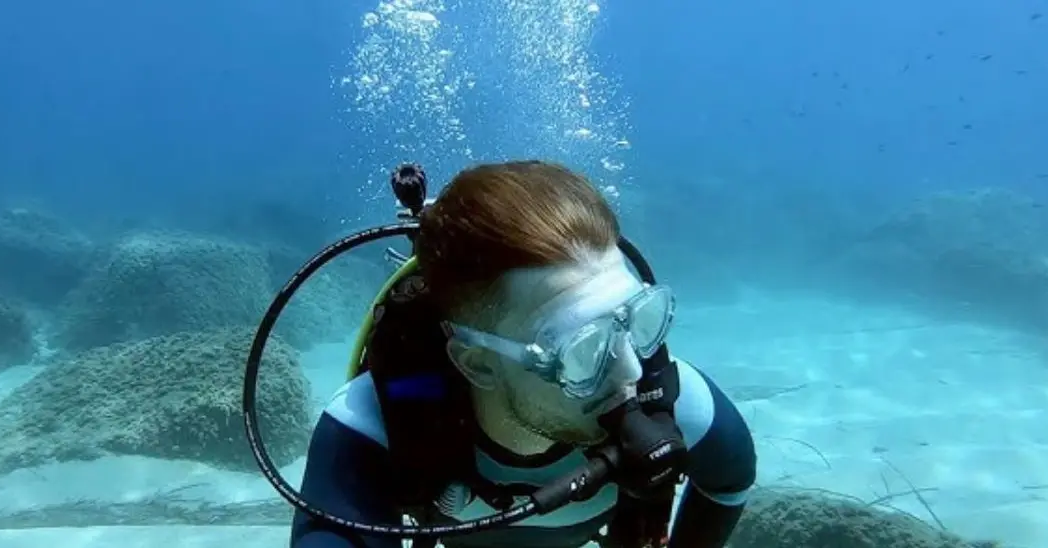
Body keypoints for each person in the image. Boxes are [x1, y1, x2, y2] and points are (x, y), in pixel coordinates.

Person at [291, 161, 756, 548]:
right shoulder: (372, 428)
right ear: (476, 362)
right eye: (583, 348)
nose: (630, 368)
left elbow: (730, 479)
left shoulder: (674, 402)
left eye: (638, 318)